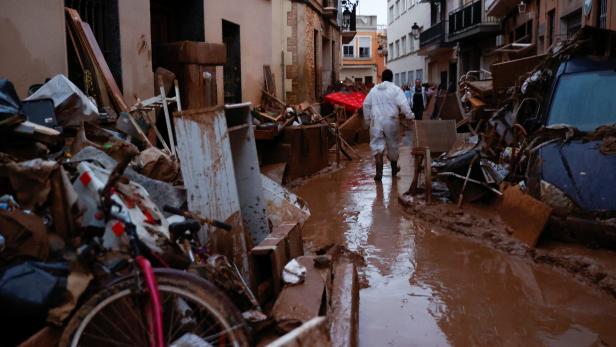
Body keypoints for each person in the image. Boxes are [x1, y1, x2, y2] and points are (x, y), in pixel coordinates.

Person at [363, 69, 414, 181]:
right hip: (391, 120)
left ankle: (379, 173)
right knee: (393, 145)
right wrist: (410, 116)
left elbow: (366, 104)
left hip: (376, 121)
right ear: (392, 78)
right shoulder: (396, 89)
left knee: (377, 146)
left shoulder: (374, 90)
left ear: (382, 78)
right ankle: (394, 170)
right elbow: (404, 105)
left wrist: (367, 121)